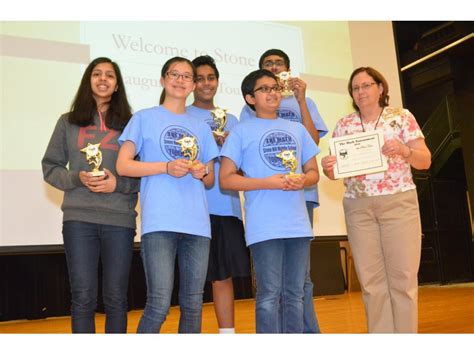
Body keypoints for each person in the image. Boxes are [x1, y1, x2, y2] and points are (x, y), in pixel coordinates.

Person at [321, 66, 431, 333]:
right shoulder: (345, 125)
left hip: (398, 202)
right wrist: (328, 167)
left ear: (380, 88)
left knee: (402, 280)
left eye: (366, 85)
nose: (361, 92)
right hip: (358, 207)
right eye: (356, 88)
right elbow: (335, 172)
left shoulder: (401, 117)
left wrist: (404, 150)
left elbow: (425, 160)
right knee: (371, 283)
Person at [116, 56, 219, 333]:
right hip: (160, 222)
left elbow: (209, 180)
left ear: (193, 85)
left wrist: (201, 173)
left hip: (197, 225)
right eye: (174, 74)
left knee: (193, 304)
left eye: (187, 76)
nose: (180, 80)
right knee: (159, 303)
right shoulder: (144, 117)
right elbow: (123, 165)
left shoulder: (202, 127)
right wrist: (165, 167)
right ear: (163, 80)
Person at [42, 57, 139, 333]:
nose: (103, 79)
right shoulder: (67, 122)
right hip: (79, 219)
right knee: (83, 298)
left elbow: (144, 175)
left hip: (119, 219)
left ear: (117, 85)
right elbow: (50, 167)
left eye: (110, 75)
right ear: (88, 81)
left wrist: (117, 185)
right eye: (97, 74)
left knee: (116, 298)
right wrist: (77, 178)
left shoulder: (132, 124)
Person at [219, 69, 320, 333]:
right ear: (250, 98)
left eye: (275, 88)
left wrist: (303, 179)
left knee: (295, 294)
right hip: (264, 226)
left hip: (297, 224)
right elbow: (226, 179)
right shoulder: (241, 131)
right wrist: (267, 182)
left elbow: (313, 173)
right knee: (268, 296)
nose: (273, 93)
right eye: (264, 89)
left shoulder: (297, 129)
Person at [240, 48, 327, 333]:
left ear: (288, 71)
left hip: (301, 197)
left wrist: (301, 100)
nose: (275, 67)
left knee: (301, 279)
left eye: (279, 64)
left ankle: (307, 334)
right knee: (272, 283)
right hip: (267, 202)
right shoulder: (249, 111)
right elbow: (246, 151)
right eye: (268, 64)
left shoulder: (306, 101)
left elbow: (312, 143)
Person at [187, 55, 251, 334]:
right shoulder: (182, 116)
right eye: (198, 78)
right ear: (190, 83)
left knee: (222, 277)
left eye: (210, 78)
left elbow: (242, 168)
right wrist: (205, 145)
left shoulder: (232, 119)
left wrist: (226, 149)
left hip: (225, 207)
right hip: (190, 208)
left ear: (217, 81)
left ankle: (228, 336)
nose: (205, 83)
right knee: (192, 279)